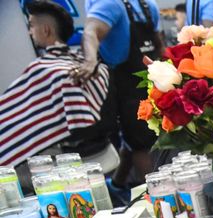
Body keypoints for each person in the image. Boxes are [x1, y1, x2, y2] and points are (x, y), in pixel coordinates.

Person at [0, 1, 110, 176]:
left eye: (31, 26)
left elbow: (13, 116)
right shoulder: (89, 65)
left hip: (69, 159)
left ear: (45, 30)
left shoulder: (44, 70)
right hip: (103, 148)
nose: (30, 31)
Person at [73, 0, 162, 186]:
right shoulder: (146, 5)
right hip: (153, 81)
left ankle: (157, 195)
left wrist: (90, 61)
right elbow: (159, 45)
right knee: (138, 140)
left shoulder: (109, 3)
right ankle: (120, 184)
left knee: (140, 145)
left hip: (133, 86)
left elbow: (90, 31)